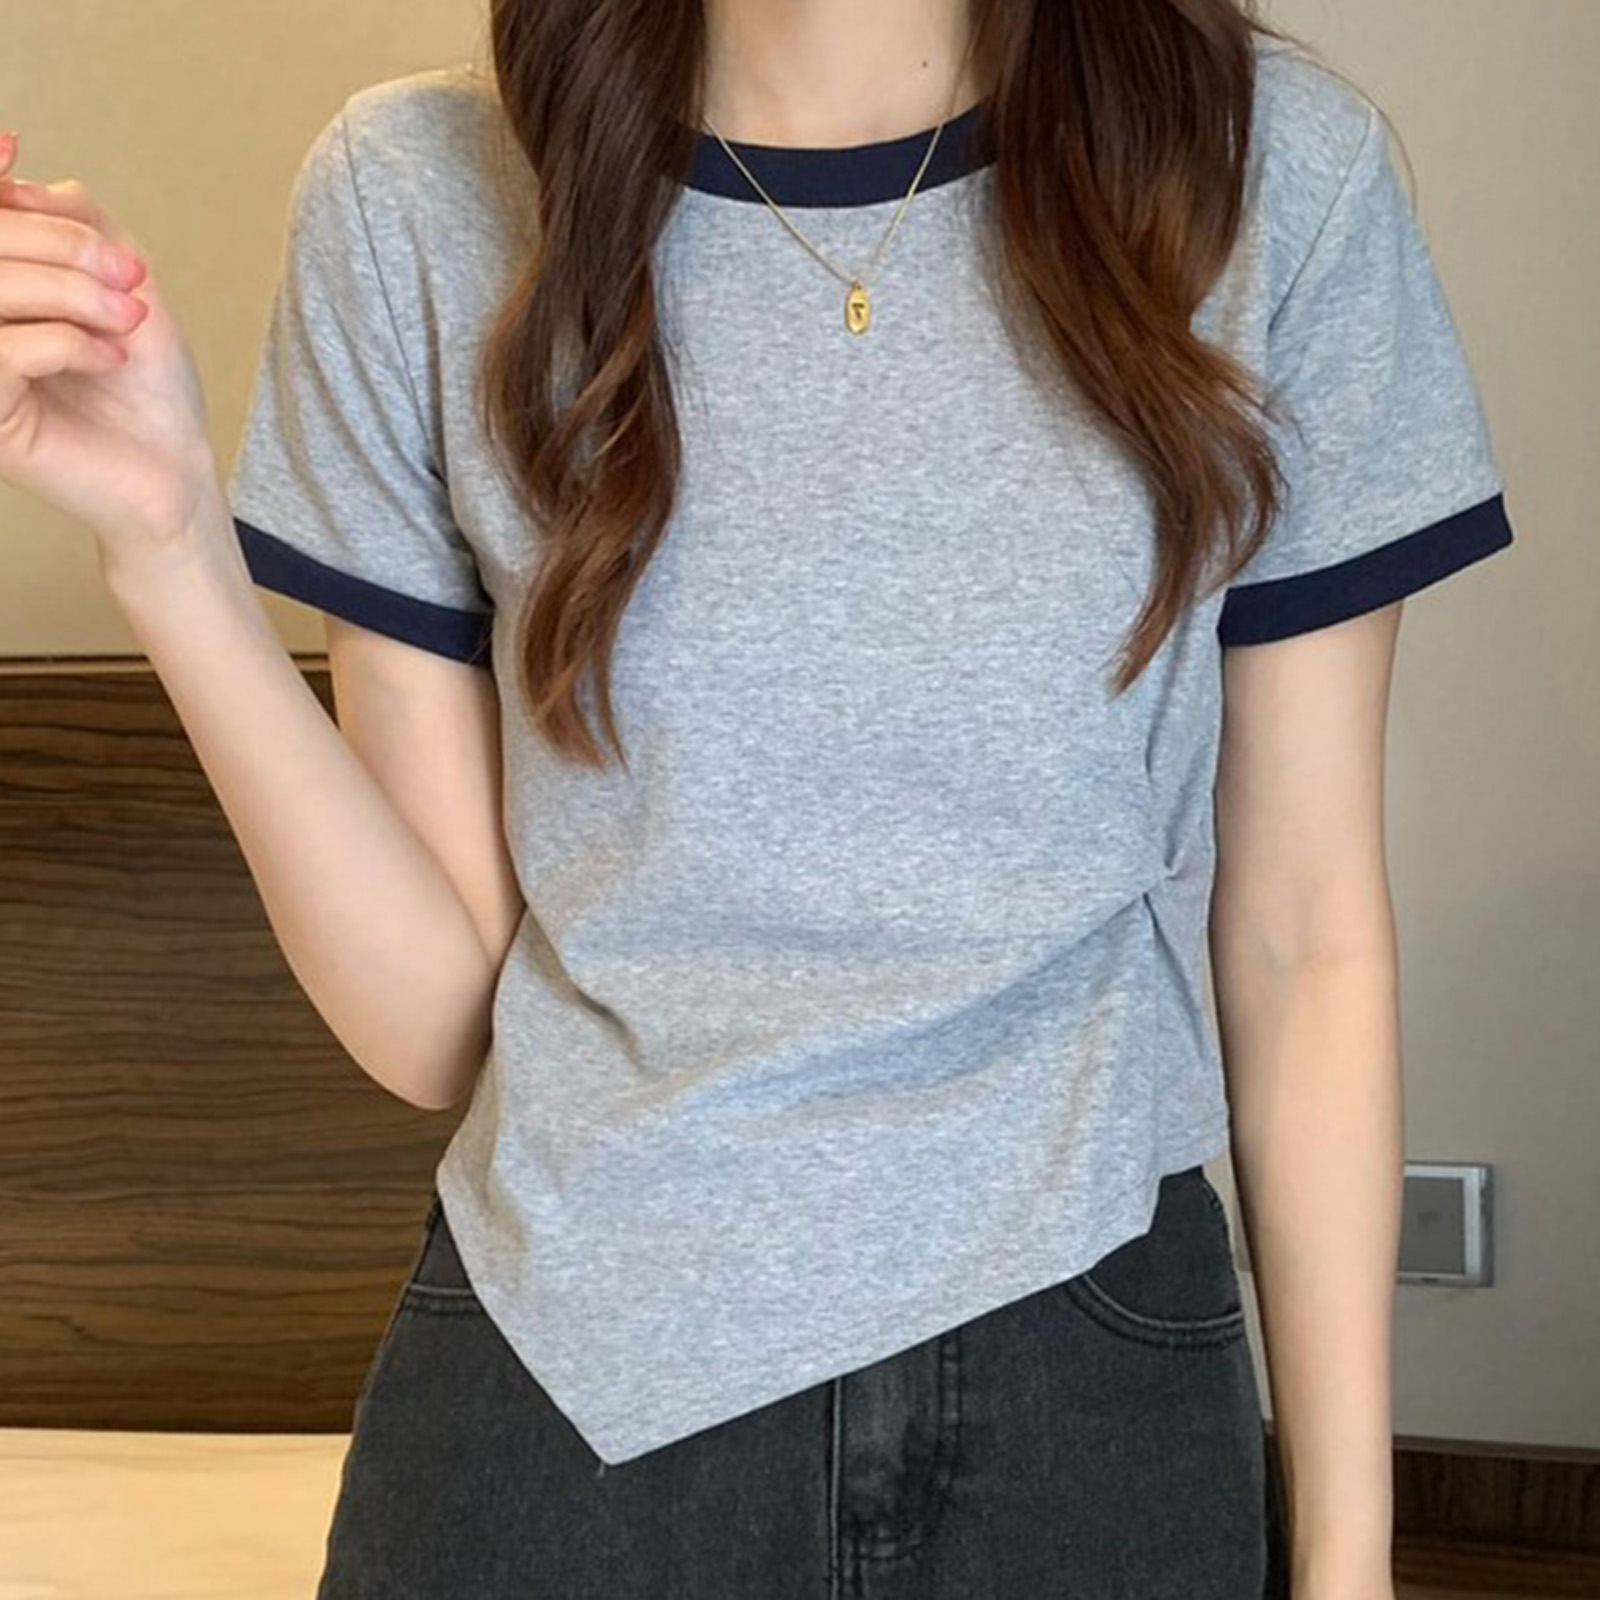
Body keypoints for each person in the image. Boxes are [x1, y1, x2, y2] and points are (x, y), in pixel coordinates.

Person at [0, 0, 1515, 1594]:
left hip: (1088, 1365)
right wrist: (168, 550)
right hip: (564, 1388)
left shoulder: (1271, 174)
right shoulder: (413, 192)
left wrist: (1347, 1559)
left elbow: (1304, 936)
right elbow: (435, 1018)